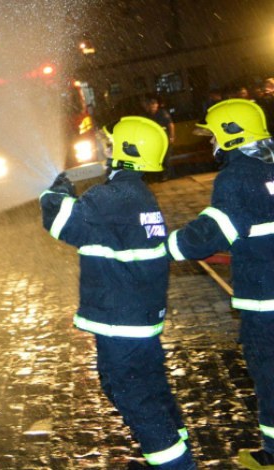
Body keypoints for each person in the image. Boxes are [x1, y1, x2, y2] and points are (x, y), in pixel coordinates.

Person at [40, 116, 195, 469]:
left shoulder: (109, 196)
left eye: (109, 144)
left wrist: (55, 193)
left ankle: (175, 462)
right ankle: (174, 450)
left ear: (123, 152)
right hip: (141, 318)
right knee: (152, 387)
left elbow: (63, 224)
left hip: (120, 321)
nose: (103, 148)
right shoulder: (138, 194)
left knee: (129, 390)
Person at [164, 99, 274, 469]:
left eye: (212, 135)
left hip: (265, 301)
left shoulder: (236, 177)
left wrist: (168, 246)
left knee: (270, 375)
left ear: (231, 136)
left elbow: (211, 233)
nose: (209, 142)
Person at [143, 94, 176, 180]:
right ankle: (161, 174)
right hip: (155, 140)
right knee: (158, 158)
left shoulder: (162, 113)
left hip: (165, 138)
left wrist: (172, 137)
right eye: (151, 104)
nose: (153, 106)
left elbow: (171, 125)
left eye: (155, 104)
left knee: (166, 157)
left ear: (157, 105)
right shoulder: (147, 115)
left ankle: (167, 175)